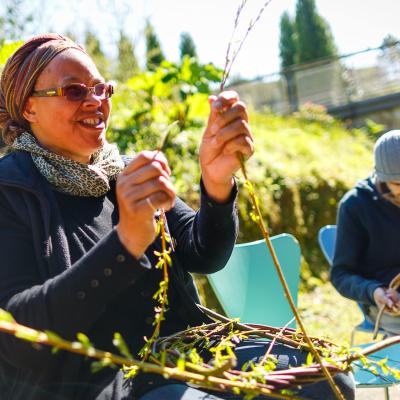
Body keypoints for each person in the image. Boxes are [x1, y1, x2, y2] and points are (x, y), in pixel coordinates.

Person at [0, 34, 354, 400]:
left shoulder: (124, 173)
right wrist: (125, 245)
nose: (95, 101)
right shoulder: (11, 192)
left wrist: (217, 183)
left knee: (329, 381)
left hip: (180, 353)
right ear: (29, 108)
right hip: (101, 381)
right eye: (74, 91)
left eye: (101, 88)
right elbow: (18, 331)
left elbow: (205, 254)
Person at [331, 129, 400, 336]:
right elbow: (341, 274)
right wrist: (373, 291)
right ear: (382, 178)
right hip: (387, 300)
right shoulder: (356, 205)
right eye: (398, 184)